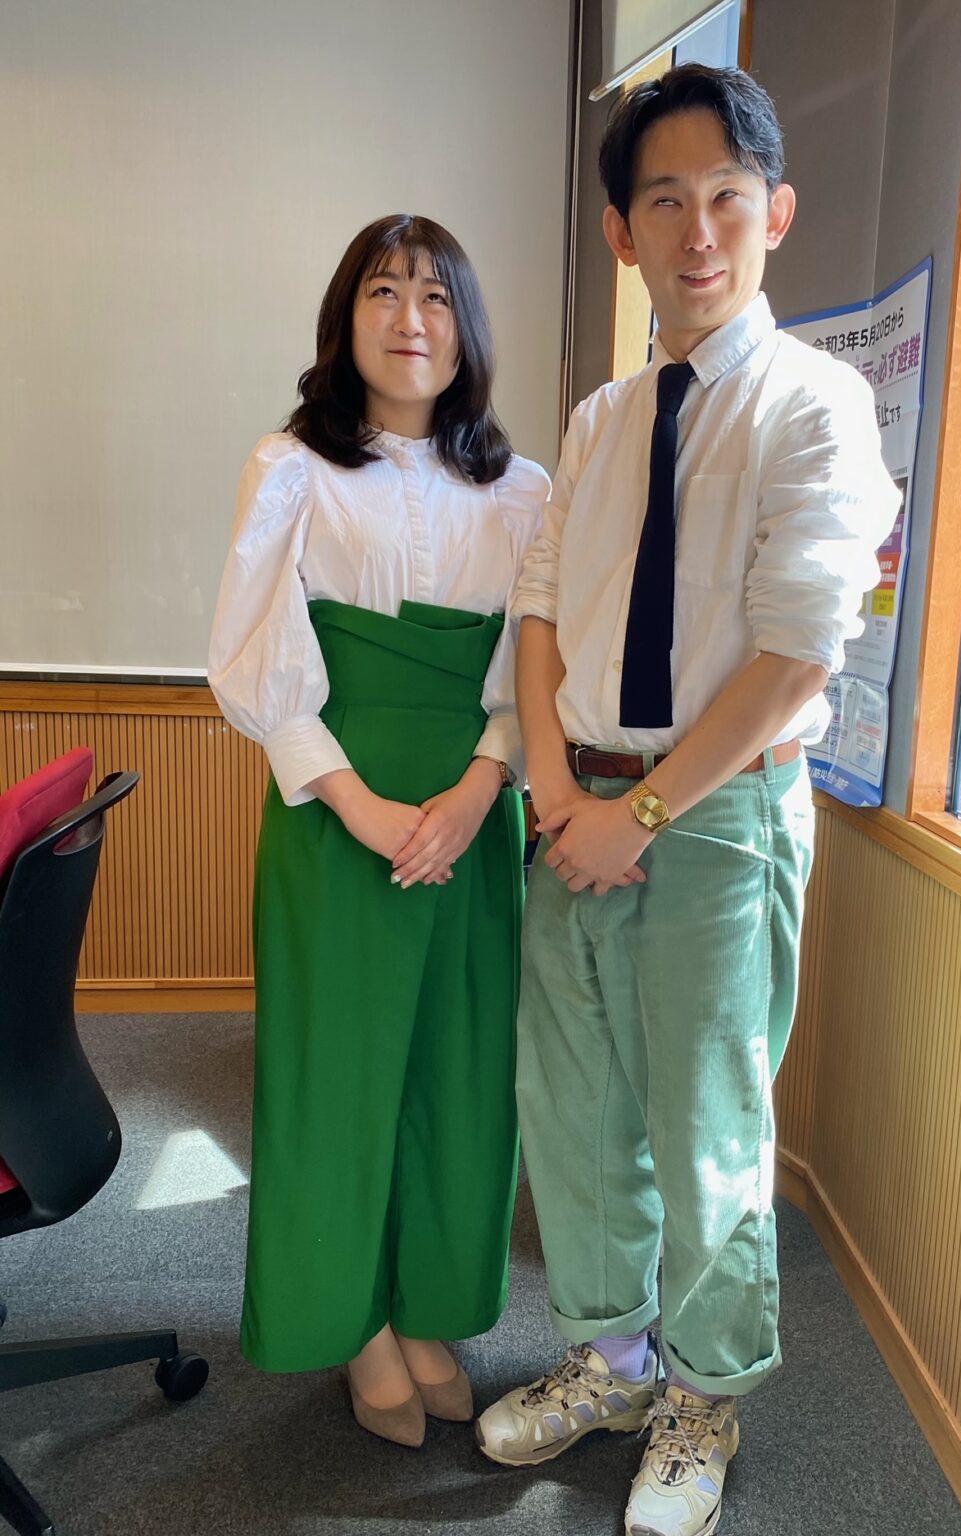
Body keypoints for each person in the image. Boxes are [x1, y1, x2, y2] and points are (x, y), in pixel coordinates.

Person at [475, 64, 899, 1536]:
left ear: (775, 214)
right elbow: (541, 610)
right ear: (622, 232)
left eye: (727, 196)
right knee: (574, 1109)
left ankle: (706, 1394)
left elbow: (799, 656)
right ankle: (613, 1361)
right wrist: (553, 796)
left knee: (708, 1124)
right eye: (664, 201)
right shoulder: (599, 420)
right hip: (570, 809)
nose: (696, 230)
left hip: (714, 820)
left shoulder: (818, 405)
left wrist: (639, 816)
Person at [208, 214, 548, 1449]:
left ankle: (427, 1306)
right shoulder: (292, 468)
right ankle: (349, 1321)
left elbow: (537, 668)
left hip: (475, 817)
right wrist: (360, 807)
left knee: (458, 1075)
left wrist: (476, 792)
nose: (412, 319)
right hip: (334, 814)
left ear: (467, 330)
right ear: (344, 321)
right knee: (336, 1076)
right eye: (385, 293)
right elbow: (256, 659)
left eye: (436, 297)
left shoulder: (525, 491)